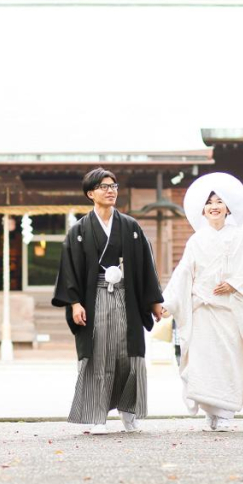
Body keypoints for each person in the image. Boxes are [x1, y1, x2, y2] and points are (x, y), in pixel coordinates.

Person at [52, 168, 165, 435]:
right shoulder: (79, 230)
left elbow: (146, 267)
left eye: (113, 186)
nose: (111, 190)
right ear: (91, 194)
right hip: (94, 299)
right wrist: (75, 302)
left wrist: (154, 302)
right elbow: (69, 269)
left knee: (129, 355)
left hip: (127, 296)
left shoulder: (131, 227)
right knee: (98, 354)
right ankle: (96, 415)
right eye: (104, 187)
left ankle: (129, 412)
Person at [162, 172, 243, 432]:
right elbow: (183, 273)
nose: (214, 206)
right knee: (203, 361)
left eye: (219, 201)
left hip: (229, 312)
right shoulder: (196, 240)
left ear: (228, 207)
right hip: (203, 313)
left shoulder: (241, 238)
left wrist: (234, 284)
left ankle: (226, 413)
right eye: (209, 203)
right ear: (202, 210)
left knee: (228, 360)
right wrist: (168, 303)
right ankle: (210, 412)